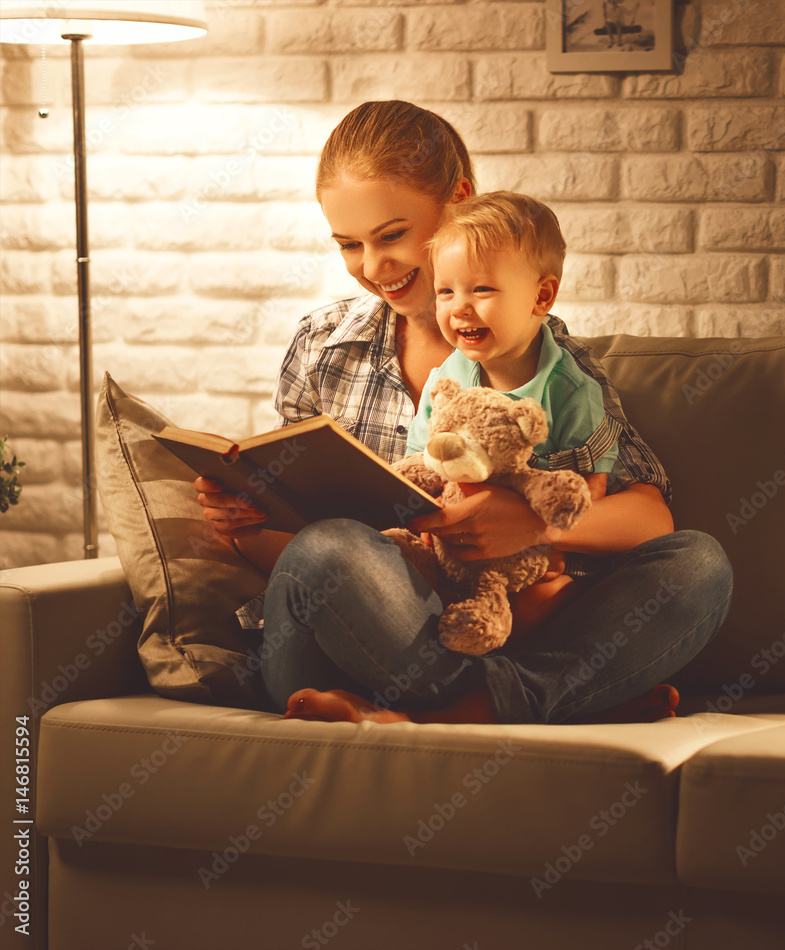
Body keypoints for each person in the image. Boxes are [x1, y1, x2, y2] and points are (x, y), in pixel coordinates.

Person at [195, 100, 733, 726]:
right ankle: (541, 699)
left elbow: (650, 517)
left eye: (393, 236)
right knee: (326, 549)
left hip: (493, 623)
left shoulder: (547, 361)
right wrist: (243, 522)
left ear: (459, 200)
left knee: (699, 564)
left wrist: (534, 526)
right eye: (349, 245)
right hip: (359, 636)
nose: (374, 268)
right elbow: (300, 557)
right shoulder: (322, 348)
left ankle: (449, 710)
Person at [406, 190, 618, 484]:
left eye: (481, 289)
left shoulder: (572, 393)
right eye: (445, 291)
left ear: (541, 297)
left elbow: (589, 489)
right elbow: (417, 463)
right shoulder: (445, 382)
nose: (458, 307)